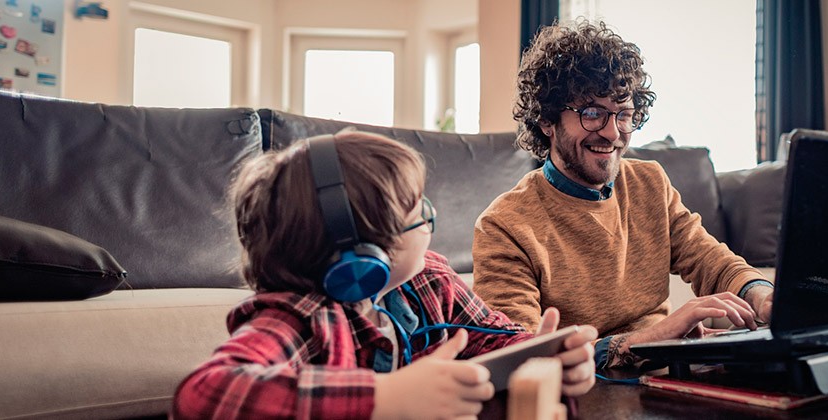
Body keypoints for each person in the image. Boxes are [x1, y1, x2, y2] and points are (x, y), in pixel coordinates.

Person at [172, 130, 597, 419]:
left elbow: (488, 334)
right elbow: (203, 394)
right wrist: (386, 398)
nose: (431, 218)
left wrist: (542, 352)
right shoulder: (299, 317)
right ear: (364, 254)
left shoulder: (428, 277)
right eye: (418, 215)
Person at [472, 20, 775, 370]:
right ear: (547, 120)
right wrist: (648, 341)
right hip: (585, 389)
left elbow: (712, 261)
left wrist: (763, 297)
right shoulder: (504, 225)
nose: (613, 132)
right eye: (592, 114)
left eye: (624, 115)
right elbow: (517, 356)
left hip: (666, 376)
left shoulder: (649, 182)